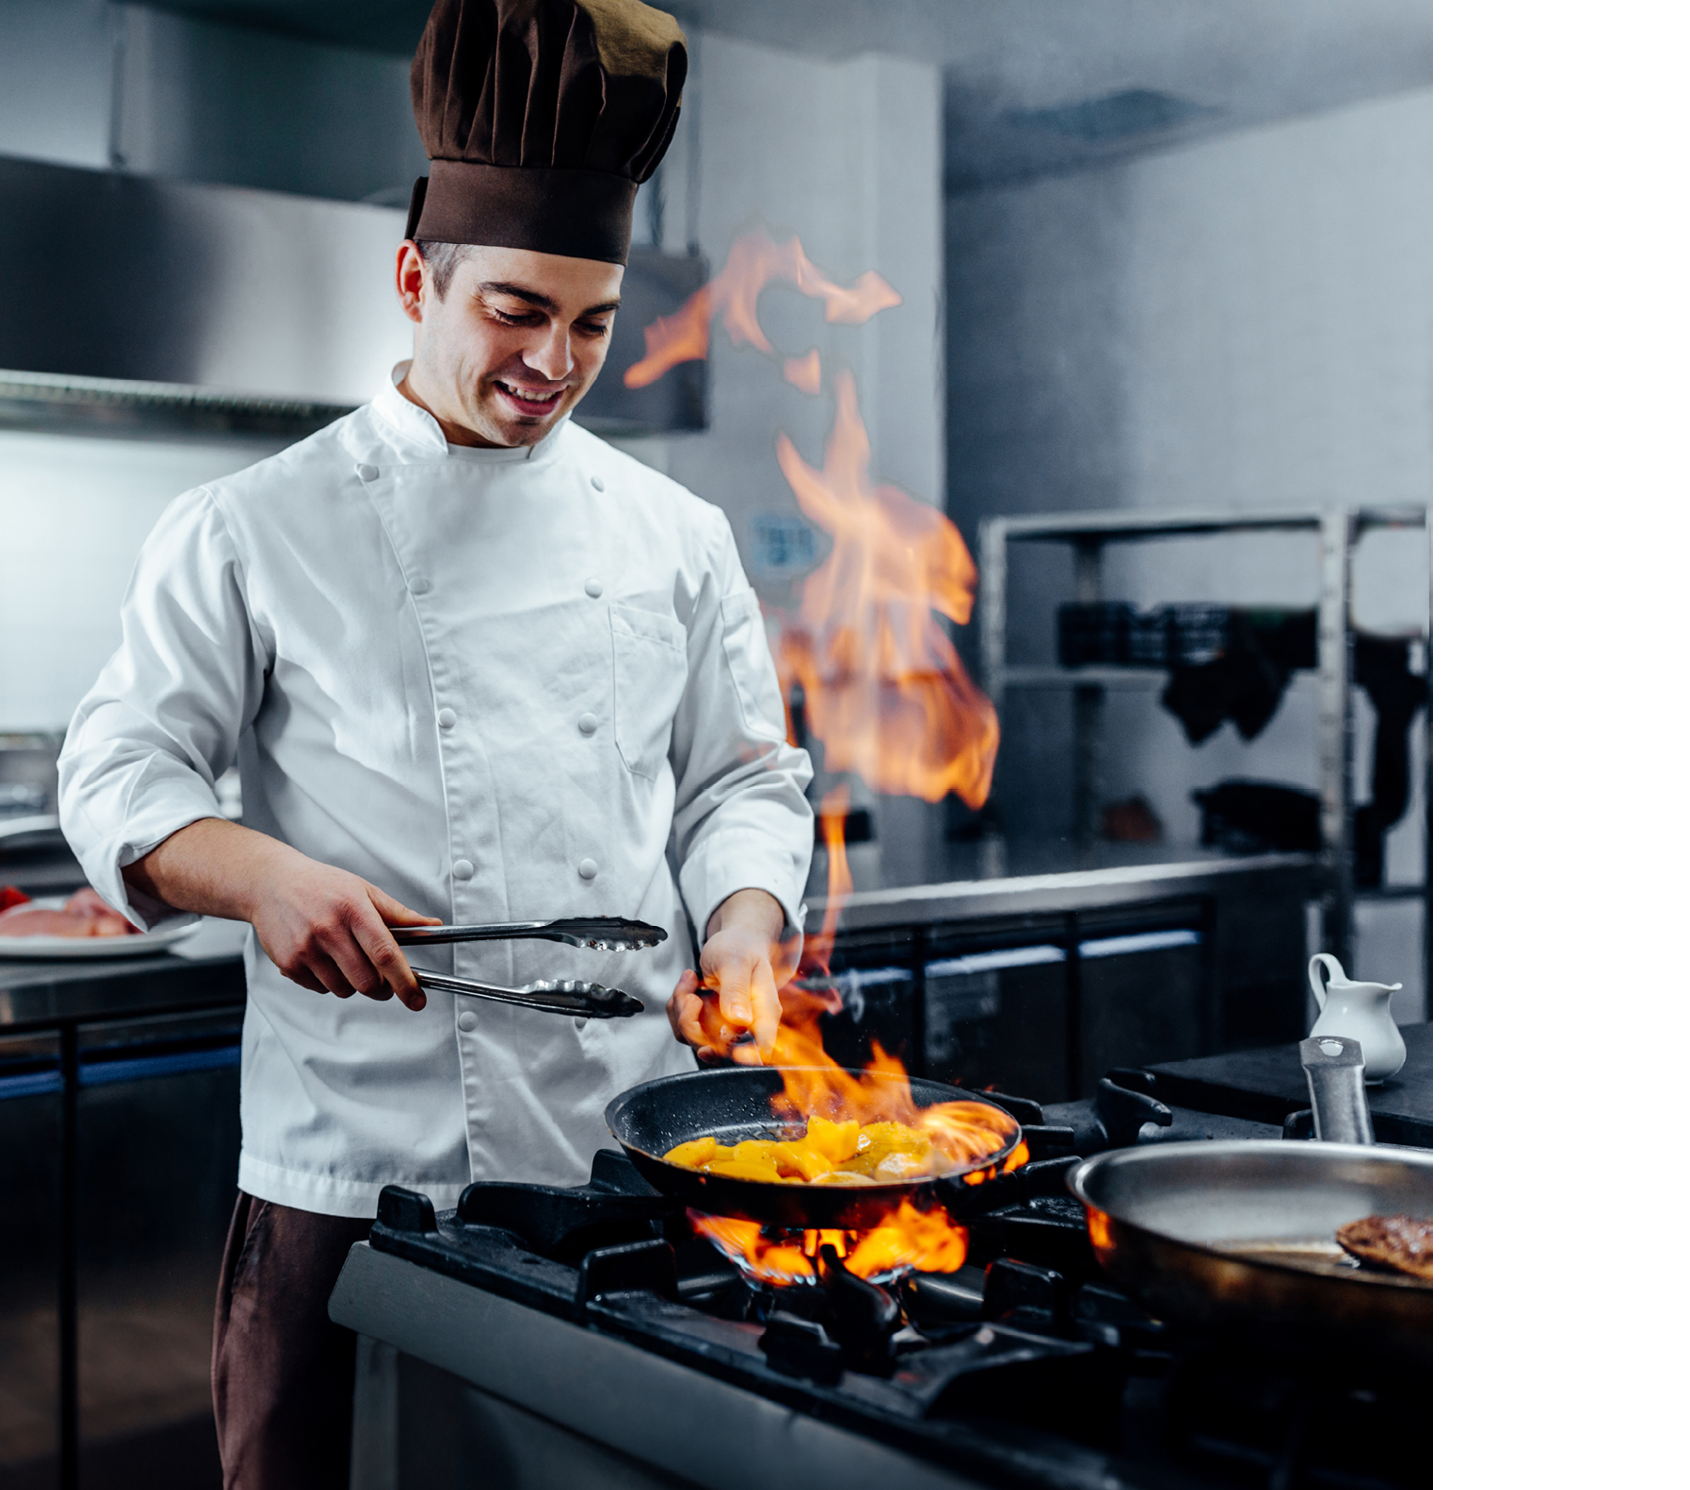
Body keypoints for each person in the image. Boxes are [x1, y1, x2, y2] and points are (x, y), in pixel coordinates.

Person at [55, 2, 812, 1484]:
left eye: (590, 322)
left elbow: (740, 779)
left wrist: (741, 922)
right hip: (354, 1183)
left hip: (623, 1167)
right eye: (514, 312)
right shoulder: (254, 526)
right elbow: (118, 771)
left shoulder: (672, 532)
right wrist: (264, 874)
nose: (554, 361)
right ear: (417, 277)